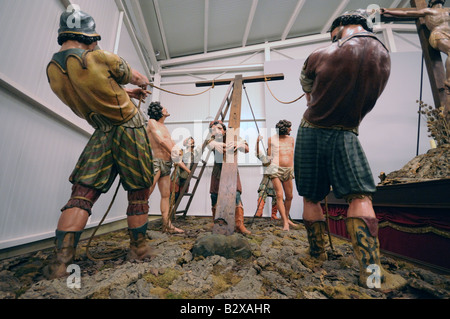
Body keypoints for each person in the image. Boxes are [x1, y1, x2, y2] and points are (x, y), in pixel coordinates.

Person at [296, 9, 406, 289]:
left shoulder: (321, 54)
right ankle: (371, 275)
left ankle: (316, 255)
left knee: (311, 197)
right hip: (345, 131)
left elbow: (308, 92)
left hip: (311, 130)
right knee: (360, 197)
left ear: (339, 30)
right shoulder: (384, 59)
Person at [44, 9, 155, 279]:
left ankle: (61, 262)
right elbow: (139, 77)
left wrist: (125, 92)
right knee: (139, 189)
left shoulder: (53, 70)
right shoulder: (100, 57)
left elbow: (93, 90)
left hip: (102, 132)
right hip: (128, 127)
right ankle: (139, 249)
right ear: (89, 36)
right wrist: (139, 84)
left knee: (81, 194)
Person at [382, 0, 450, 121]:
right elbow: (407, 13)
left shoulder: (448, 11)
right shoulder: (427, 11)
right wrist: (389, 11)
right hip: (438, 34)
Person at [146, 102, 189, 234]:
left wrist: (185, 167)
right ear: (159, 111)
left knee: (165, 195)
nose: (166, 108)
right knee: (146, 193)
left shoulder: (164, 126)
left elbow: (172, 145)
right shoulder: (152, 122)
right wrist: (175, 153)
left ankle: (167, 224)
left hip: (166, 163)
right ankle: (138, 223)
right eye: (164, 107)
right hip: (156, 162)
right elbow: (161, 141)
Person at [207, 120, 251, 234]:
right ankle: (216, 222)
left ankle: (239, 224)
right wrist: (214, 144)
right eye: (213, 129)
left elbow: (247, 148)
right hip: (218, 171)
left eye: (219, 128)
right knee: (214, 196)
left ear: (224, 130)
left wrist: (239, 144)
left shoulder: (233, 137)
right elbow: (208, 143)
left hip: (231, 171)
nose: (216, 131)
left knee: (236, 195)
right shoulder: (212, 139)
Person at [266, 120, 296, 231]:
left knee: (290, 196)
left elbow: (292, 154)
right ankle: (284, 222)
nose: (291, 130)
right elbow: (269, 156)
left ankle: (286, 218)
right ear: (284, 128)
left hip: (288, 169)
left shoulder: (291, 139)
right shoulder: (271, 139)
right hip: (275, 169)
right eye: (289, 128)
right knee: (279, 195)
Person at [171, 136, 203, 204]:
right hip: (178, 175)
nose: (190, 141)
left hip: (185, 177)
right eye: (188, 140)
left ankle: (172, 212)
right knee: (174, 194)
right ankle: (168, 213)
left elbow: (202, 146)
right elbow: (179, 162)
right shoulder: (181, 151)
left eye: (191, 140)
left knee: (180, 195)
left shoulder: (195, 153)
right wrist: (189, 172)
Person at [254, 135, 279, 220]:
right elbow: (257, 152)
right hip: (265, 181)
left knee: (277, 197)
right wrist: (257, 142)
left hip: (275, 181)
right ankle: (259, 211)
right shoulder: (265, 159)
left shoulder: (277, 160)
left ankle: (274, 214)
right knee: (262, 195)